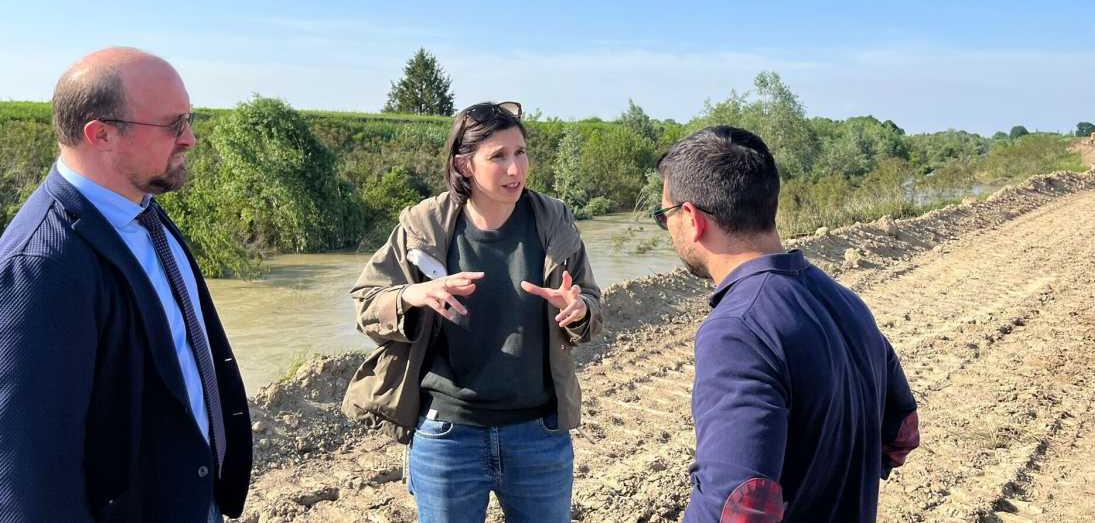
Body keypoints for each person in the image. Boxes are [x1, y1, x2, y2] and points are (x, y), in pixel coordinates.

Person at [0, 47, 252, 521]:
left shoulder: (140, 213)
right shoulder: (42, 264)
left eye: (190, 119)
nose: (191, 138)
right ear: (101, 134)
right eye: (173, 124)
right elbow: (28, 472)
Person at [342, 101, 603, 523]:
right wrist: (414, 295)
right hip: (447, 437)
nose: (515, 169)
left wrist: (578, 310)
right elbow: (366, 303)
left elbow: (591, 303)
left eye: (520, 153)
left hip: (538, 435)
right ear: (465, 164)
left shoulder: (553, 220)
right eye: (498, 156)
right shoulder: (425, 225)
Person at [653, 126, 919, 522]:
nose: (667, 228)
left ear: (691, 218)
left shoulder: (737, 330)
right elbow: (901, 433)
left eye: (664, 216)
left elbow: (737, 506)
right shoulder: (846, 302)